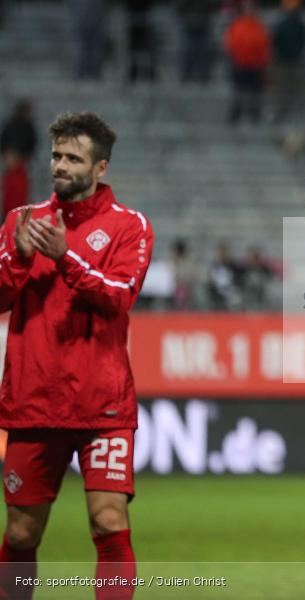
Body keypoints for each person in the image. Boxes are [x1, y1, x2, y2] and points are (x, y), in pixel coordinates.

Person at [0, 112, 154, 599]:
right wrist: (19, 258)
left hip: (101, 404)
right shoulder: (21, 221)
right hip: (32, 401)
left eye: (73, 158)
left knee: (109, 521)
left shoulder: (130, 227)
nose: (60, 166)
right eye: (57, 156)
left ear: (100, 167)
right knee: (22, 533)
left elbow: (119, 295)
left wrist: (67, 256)